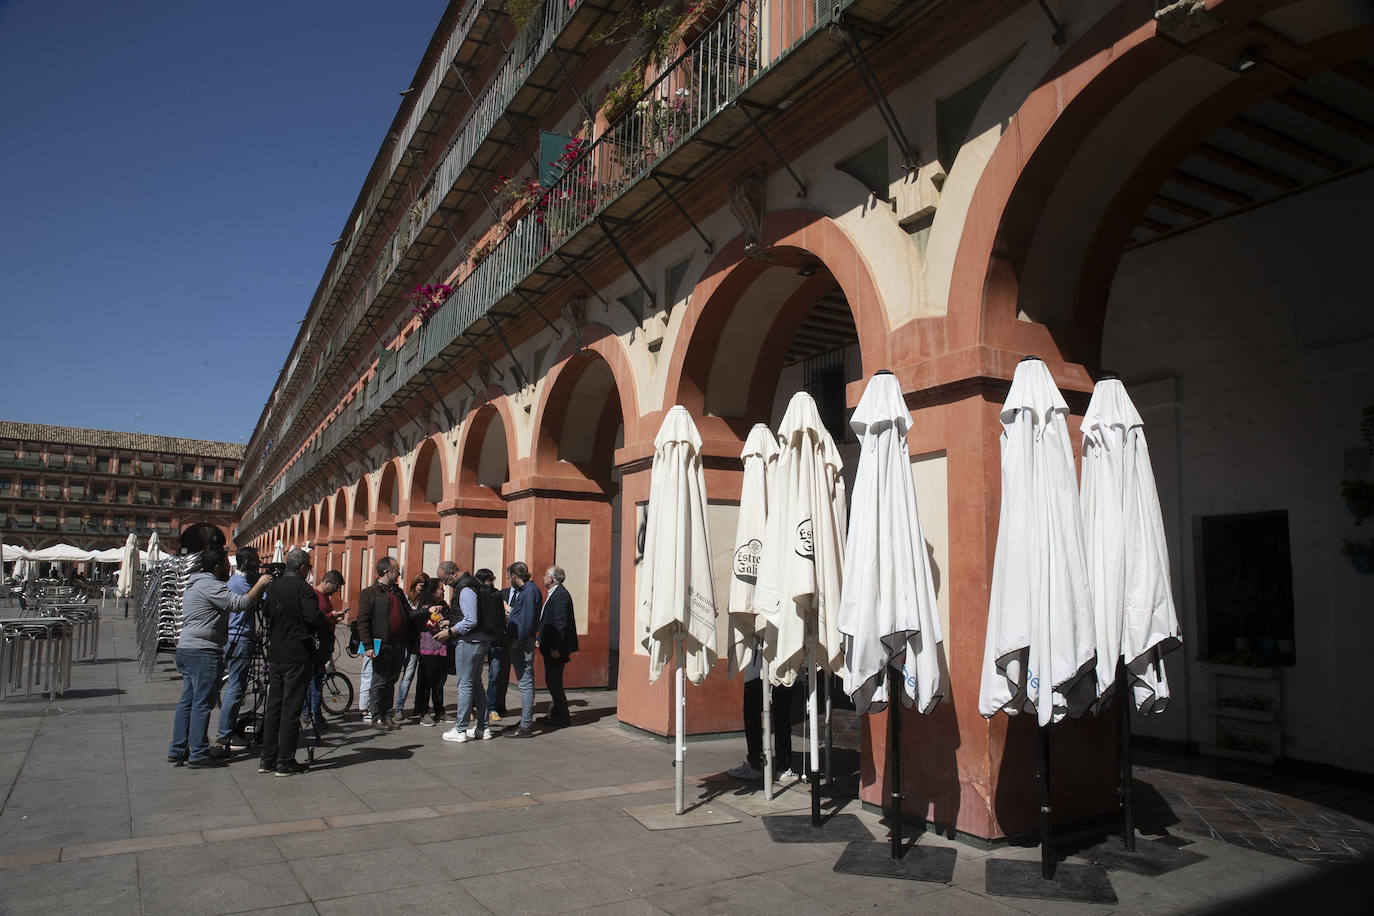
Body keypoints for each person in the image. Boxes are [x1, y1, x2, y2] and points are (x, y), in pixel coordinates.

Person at [168, 546, 271, 768]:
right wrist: (261, 584)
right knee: (202, 703)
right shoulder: (211, 585)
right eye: (225, 565)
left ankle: (178, 749)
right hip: (203, 650)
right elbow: (240, 604)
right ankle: (198, 752)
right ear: (216, 568)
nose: (228, 569)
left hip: (186, 647)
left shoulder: (194, 584)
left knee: (187, 700)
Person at [257, 548, 322, 777]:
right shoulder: (304, 589)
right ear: (302, 567)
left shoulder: (273, 586)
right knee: (291, 708)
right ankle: (285, 761)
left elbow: (266, 612)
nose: (309, 570)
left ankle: (267, 759)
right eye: (309, 566)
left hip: (276, 653)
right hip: (296, 654)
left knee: (274, 706)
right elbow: (313, 617)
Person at [357, 557, 419, 730]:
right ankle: (377, 716)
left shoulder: (397, 592)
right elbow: (363, 621)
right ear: (386, 572)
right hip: (381, 644)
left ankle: (387, 715)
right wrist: (368, 645)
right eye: (396, 570)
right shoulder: (370, 593)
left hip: (398, 644)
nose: (398, 573)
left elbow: (409, 613)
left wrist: (426, 611)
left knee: (391, 681)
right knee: (379, 681)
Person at [727, 643, 796, 781]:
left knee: (777, 713)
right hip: (761, 658)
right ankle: (765, 764)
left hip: (777, 658)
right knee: (760, 712)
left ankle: (776, 765)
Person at [216, 546, 261, 751]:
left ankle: (227, 731)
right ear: (246, 563)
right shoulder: (240, 583)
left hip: (238, 637)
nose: (259, 564)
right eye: (256, 561)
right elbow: (255, 599)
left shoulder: (237, 581)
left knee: (236, 687)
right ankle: (225, 734)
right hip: (239, 639)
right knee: (235, 688)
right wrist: (262, 584)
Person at [440, 568, 493, 743]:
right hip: (480, 639)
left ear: (453, 572)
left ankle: (460, 729)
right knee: (475, 683)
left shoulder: (465, 588)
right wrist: (452, 622)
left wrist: (451, 631)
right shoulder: (474, 583)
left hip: (469, 641)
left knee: (465, 684)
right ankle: (483, 727)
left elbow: (471, 619)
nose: (446, 585)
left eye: (445, 580)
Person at [301, 569, 345, 731]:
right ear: (326, 582)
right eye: (335, 586)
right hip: (316, 646)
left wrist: (334, 618)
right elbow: (314, 618)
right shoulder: (314, 596)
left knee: (317, 680)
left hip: (325, 645)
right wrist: (330, 616)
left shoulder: (325, 597)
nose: (336, 590)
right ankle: (312, 714)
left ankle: (312, 712)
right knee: (315, 681)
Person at [504, 561, 542, 738]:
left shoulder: (528, 591)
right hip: (522, 640)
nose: (508, 580)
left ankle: (526, 725)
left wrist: (517, 641)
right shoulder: (527, 591)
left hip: (522, 642)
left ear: (514, 576)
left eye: (508, 577)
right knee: (525, 681)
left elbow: (526, 620)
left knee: (525, 682)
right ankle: (525, 721)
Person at [537, 565, 578, 728]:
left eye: (546, 575)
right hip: (549, 644)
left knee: (554, 681)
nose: (543, 578)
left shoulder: (560, 594)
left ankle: (561, 715)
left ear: (551, 578)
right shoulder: (554, 593)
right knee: (552, 680)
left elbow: (560, 623)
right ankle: (556, 712)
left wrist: (556, 647)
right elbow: (547, 618)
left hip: (556, 647)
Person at [412, 576, 450, 726]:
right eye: (441, 589)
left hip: (442, 649)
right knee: (426, 683)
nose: (443, 591)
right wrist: (429, 611)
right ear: (433, 591)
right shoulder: (425, 607)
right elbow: (415, 618)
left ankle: (440, 711)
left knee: (439, 683)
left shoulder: (444, 606)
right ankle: (424, 712)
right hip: (427, 650)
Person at [394, 572, 428, 721]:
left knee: (415, 676)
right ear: (415, 585)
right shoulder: (407, 599)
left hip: (423, 642)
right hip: (409, 641)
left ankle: (415, 707)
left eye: (425, 586)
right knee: (405, 675)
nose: (423, 589)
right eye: (421, 585)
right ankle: (398, 708)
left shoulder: (427, 601)